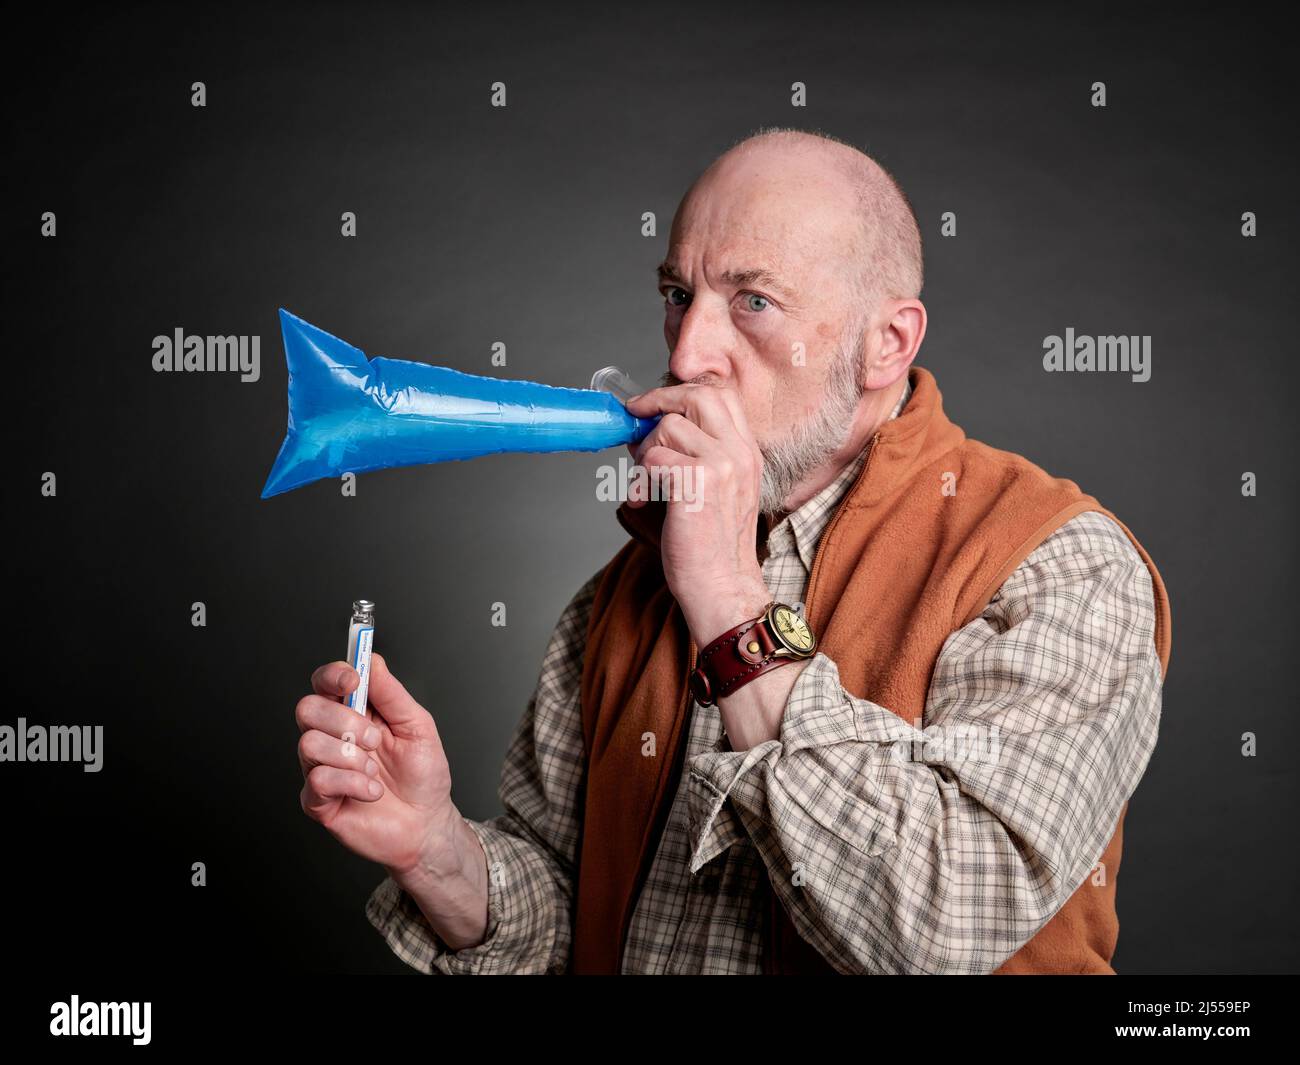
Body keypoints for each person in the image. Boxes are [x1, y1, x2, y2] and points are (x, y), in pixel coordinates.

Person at [294, 127, 1170, 974]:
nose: (686, 350)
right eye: (679, 294)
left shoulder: (1058, 563)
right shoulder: (627, 593)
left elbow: (939, 928)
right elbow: (578, 925)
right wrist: (436, 849)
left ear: (887, 344)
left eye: (752, 301)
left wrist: (725, 599)